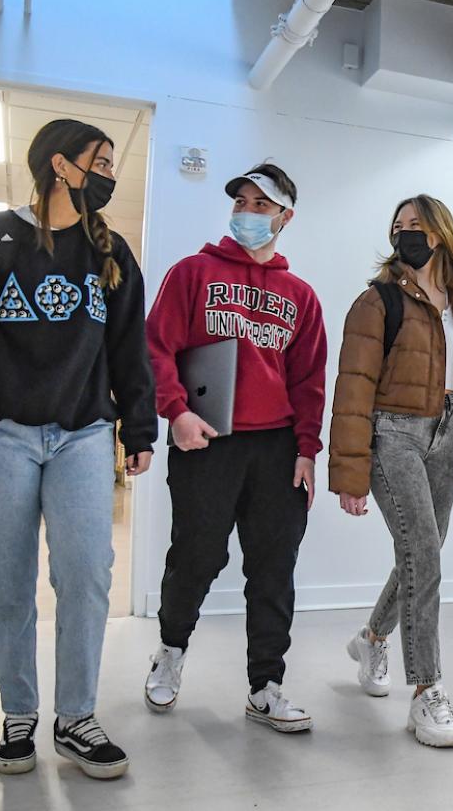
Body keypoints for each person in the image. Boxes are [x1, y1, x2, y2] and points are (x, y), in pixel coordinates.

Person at [142, 163, 327, 733]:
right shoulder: (193, 272)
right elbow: (156, 348)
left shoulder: (300, 296)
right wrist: (176, 412)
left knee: (274, 568)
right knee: (197, 556)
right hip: (208, 441)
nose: (247, 212)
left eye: (261, 205)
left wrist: (306, 450)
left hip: (275, 449)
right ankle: (171, 649)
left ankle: (265, 686)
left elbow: (310, 380)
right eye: (241, 202)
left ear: (285, 217)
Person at [0, 119, 156, 779]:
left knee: (87, 574)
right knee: (6, 582)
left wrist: (139, 429)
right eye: (100, 161)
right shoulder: (1, 238)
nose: (108, 175)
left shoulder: (109, 250)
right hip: (5, 432)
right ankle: (19, 713)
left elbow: (128, 348)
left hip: (85, 432)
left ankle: (76, 717)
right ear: (59, 165)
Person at [329, 194, 453, 748]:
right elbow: (353, 389)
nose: (404, 231)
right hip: (394, 433)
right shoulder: (377, 301)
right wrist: (351, 472)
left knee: (421, 550)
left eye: (415, 224)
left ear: (440, 233)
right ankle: (426, 691)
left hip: (450, 432)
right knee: (425, 553)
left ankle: (371, 638)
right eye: (397, 224)